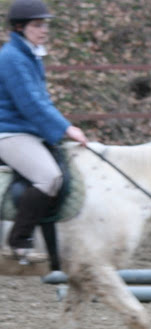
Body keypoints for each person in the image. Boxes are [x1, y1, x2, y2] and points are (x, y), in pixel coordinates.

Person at [0, 0, 88, 264]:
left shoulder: (30, 54)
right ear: (20, 27)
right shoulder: (12, 58)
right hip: (9, 132)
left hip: (27, 130)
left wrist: (59, 128)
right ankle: (18, 241)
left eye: (45, 24)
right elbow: (31, 103)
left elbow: (42, 101)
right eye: (37, 25)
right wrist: (65, 128)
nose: (44, 30)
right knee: (49, 177)